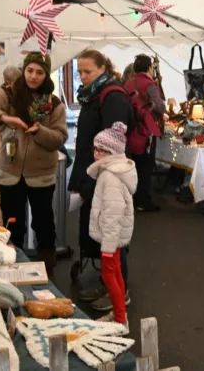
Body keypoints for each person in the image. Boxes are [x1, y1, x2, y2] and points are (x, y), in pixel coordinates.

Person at [68, 49, 134, 311]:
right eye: (79, 72)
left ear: (103, 69)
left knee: (113, 234)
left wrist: (100, 176)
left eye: (88, 71)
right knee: (100, 229)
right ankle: (109, 282)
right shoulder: (94, 94)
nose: (82, 77)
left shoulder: (113, 97)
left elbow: (114, 142)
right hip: (96, 172)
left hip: (108, 177)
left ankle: (120, 291)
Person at [0, 52, 67, 276]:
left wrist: (39, 131)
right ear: (24, 70)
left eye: (39, 72)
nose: (33, 76)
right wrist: (7, 119)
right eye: (30, 70)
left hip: (41, 175)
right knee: (11, 223)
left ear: (46, 75)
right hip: (9, 171)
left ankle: (47, 275)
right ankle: (11, 270)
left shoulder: (54, 104)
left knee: (44, 225)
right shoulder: (8, 94)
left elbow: (59, 138)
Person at [88, 122, 136, 327]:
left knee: (110, 276)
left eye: (102, 151)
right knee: (115, 273)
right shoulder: (114, 172)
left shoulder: (110, 177)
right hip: (114, 238)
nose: (97, 154)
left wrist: (107, 247)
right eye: (96, 149)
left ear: (113, 153)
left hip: (111, 238)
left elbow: (113, 214)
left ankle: (119, 318)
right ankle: (119, 315)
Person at [124, 54, 165, 212]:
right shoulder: (149, 84)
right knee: (145, 167)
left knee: (132, 165)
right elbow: (160, 108)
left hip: (131, 127)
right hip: (146, 128)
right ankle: (142, 200)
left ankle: (131, 198)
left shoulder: (128, 83)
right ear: (149, 68)